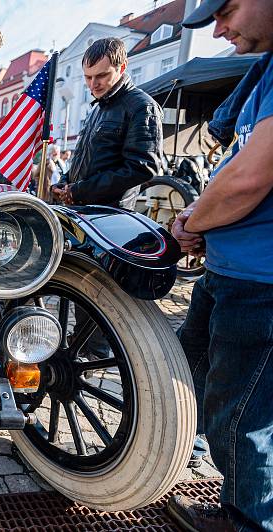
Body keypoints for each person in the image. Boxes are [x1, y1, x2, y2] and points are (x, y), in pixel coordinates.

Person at [168, 1, 273, 531]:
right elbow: (228, 142)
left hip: (262, 284)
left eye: (227, 8)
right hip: (233, 273)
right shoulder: (264, 69)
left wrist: (192, 223)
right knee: (198, 369)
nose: (219, 28)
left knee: (242, 416)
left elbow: (250, 179)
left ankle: (247, 522)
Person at [52, 37, 164, 209]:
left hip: (110, 216)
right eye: (88, 77)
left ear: (122, 67)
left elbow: (143, 167)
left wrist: (80, 191)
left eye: (102, 75)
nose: (93, 84)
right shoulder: (97, 108)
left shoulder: (142, 106)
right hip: (82, 212)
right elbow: (85, 162)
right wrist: (65, 182)